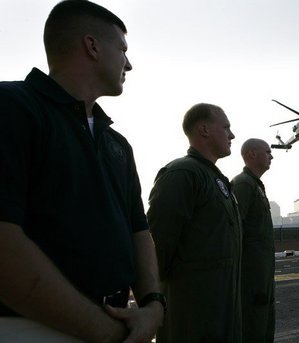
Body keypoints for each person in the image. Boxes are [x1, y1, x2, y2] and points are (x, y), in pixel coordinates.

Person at [0, 0, 165, 341]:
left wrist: (153, 305)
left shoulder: (117, 144)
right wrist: (102, 329)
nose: (129, 64)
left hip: (116, 327)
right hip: (27, 329)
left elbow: (139, 230)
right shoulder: (12, 107)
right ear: (91, 46)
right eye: (123, 49)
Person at [147, 103, 242, 342]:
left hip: (221, 315)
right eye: (226, 127)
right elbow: (157, 248)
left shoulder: (214, 178)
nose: (232, 135)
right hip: (192, 319)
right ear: (204, 129)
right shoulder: (183, 174)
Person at [231, 139, 275, 342]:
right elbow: (232, 230)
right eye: (267, 152)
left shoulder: (254, 185)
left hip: (261, 277)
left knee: (263, 329)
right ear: (251, 154)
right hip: (250, 279)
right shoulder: (243, 184)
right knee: (252, 331)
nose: (271, 155)